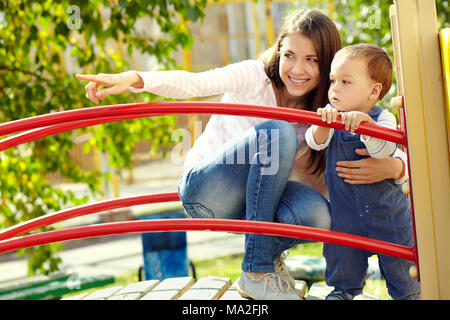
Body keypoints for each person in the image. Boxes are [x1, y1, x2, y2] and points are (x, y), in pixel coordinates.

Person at [77, 9, 410, 300]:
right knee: (277, 131)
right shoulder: (254, 77)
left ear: (327, 68)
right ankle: (258, 269)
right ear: (278, 51)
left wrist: (396, 168)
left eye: (312, 60)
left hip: (255, 206)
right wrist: (136, 78)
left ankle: (260, 260)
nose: (297, 69)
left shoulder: (325, 111)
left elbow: (378, 151)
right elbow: (195, 83)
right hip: (207, 188)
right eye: (290, 54)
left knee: (319, 214)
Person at [305, 43, 421, 300]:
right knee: (342, 257)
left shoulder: (384, 119)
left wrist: (367, 128)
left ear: (373, 90)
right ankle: (343, 291)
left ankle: (409, 295)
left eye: (345, 82)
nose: (334, 88)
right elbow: (315, 142)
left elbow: (383, 150)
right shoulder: (333, 117)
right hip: (346, 214)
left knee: (400, 266)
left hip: (388, 215)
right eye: (333, 80)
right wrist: (322, 124)